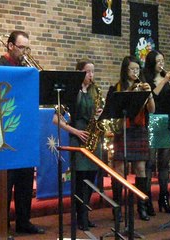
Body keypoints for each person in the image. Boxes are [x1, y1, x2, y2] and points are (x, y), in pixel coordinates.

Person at [0, 30, 45, 237]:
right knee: (6, 180)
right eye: (22, 47)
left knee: (24, 177)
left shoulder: (27, 70)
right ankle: (1, 224)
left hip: (25, 130)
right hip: (5, 130)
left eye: (27, 48)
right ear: (10, 46)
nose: (24, 52)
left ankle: (24, 221)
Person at [52, 59, 103, 230]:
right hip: (78, 137)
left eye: (93, 72)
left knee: (91, 178)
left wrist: (100, 114)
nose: (91, 75)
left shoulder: (95, 91)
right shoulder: (71, 92)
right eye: (88, 72)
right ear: (79, 72)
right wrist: (75, 131)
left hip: (93, 137)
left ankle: (84, 214)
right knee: (80, 179)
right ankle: (79, 216)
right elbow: (56, 119)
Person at [108, 55, 155, 221]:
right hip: (123, 130)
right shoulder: (117, 87)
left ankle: (141, 207)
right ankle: (117, 208)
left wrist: (148, 94)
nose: (135, 72)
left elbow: (152, 109)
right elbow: (113, 110)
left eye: (137, 69)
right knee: (120, 169)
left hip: (139, 129)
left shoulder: (143, 86)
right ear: (125, 70)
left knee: (141, 168)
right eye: (132, 69)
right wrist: (130, 92)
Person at [143, 50, 170, 215]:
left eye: (163, 60)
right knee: (150, 163)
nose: (161, 64)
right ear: (151, 63)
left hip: (166, 121)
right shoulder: (146, 79)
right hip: (152, 121)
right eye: (158, 61)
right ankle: (147, 200)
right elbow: (153, 94)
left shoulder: (166, 78)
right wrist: (165, 81)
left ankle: (164, 198)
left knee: (164, 164)